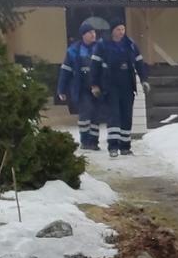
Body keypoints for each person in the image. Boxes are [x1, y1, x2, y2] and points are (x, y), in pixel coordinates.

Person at [96, 19, 150, 157]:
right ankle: (113, 147)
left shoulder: (130, 44)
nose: (121, 32)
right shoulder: (103, 45)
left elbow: (139, 63)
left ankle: (125, 147)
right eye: (118, 29)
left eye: (123, 29)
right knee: (114, 117)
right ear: (112, 30)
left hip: (127, 85)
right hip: (110, 85)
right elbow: (94, 67)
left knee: (127, 116)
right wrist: (94, 85)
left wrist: (144, 80)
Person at [55, 18, 107, 151]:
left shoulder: (100, 48)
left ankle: (94, 142)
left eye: (94, 32)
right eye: (90, 32)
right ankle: (85, 141)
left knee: (96, 115)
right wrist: (61, 89)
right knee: (86, 112)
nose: (93, 35)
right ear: (83, 35)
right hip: (81, 88)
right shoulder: (73, 51)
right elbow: (65, 71)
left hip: (97, 88)